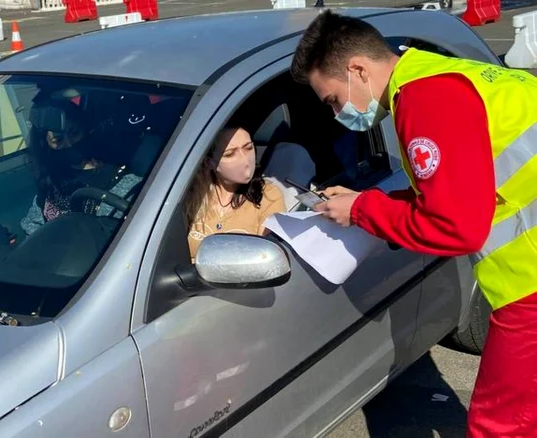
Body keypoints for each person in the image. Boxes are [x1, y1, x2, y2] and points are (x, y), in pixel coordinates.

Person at [289, 10, 537, 437]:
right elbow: (461, 184)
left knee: (501, 425)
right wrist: (370, 200)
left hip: (530, 284)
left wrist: (363, 212)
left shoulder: (426, 100)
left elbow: (456, 227)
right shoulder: (447, 74)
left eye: (332, 99)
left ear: (358, 70)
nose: (336, 114)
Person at [20, 100, 141, 236]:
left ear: (85, 131)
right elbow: (31, 226)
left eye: (74, 133)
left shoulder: (123, 184)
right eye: (58, 140)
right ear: (45, 144)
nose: (69, 144)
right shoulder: (52, 180)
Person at [185, 124, 286, 262]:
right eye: (230, 154)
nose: (245, 160)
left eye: (248, 148)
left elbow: (265, 259)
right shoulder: (190, 193)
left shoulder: (268, 195)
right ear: (209, 163)